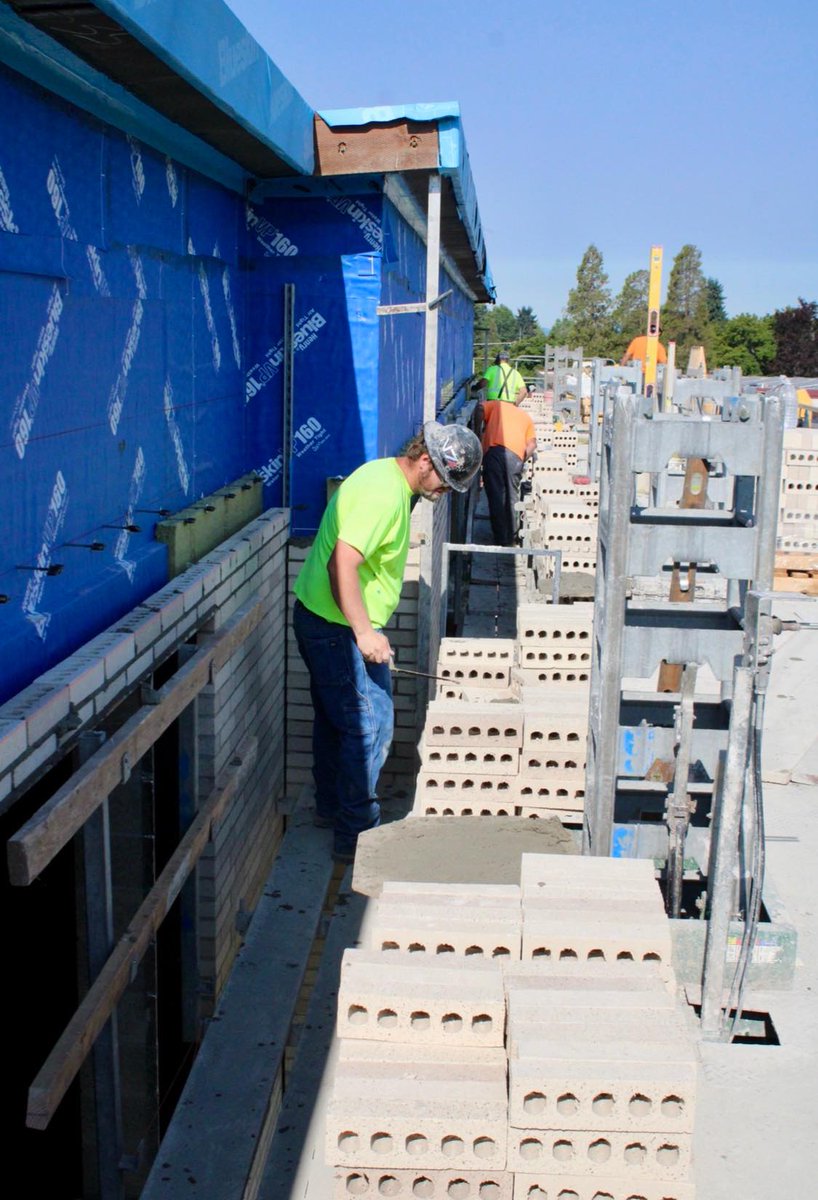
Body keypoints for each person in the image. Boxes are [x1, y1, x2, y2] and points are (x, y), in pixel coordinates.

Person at [292, 421, 482, 863]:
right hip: (337, 629)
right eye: (444, 482)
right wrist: (363, 632)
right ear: (424, 460)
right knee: (368, 726)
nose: (444, 493)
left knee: (336, 721)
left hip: (327, 621)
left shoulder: (390, 481)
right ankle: (358, 838)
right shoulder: (384, 495)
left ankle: (332, 810)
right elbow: (343, 563)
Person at [478, 398, 537, 546]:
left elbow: (479, 410)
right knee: (512, 496)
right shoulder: (526, 417)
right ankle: (511, 536)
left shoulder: (496, 405)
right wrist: (521, 459)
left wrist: (478, 434)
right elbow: (532, 444)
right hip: (516, 456)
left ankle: (500, 538)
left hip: (495, 451)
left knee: (496, 495)